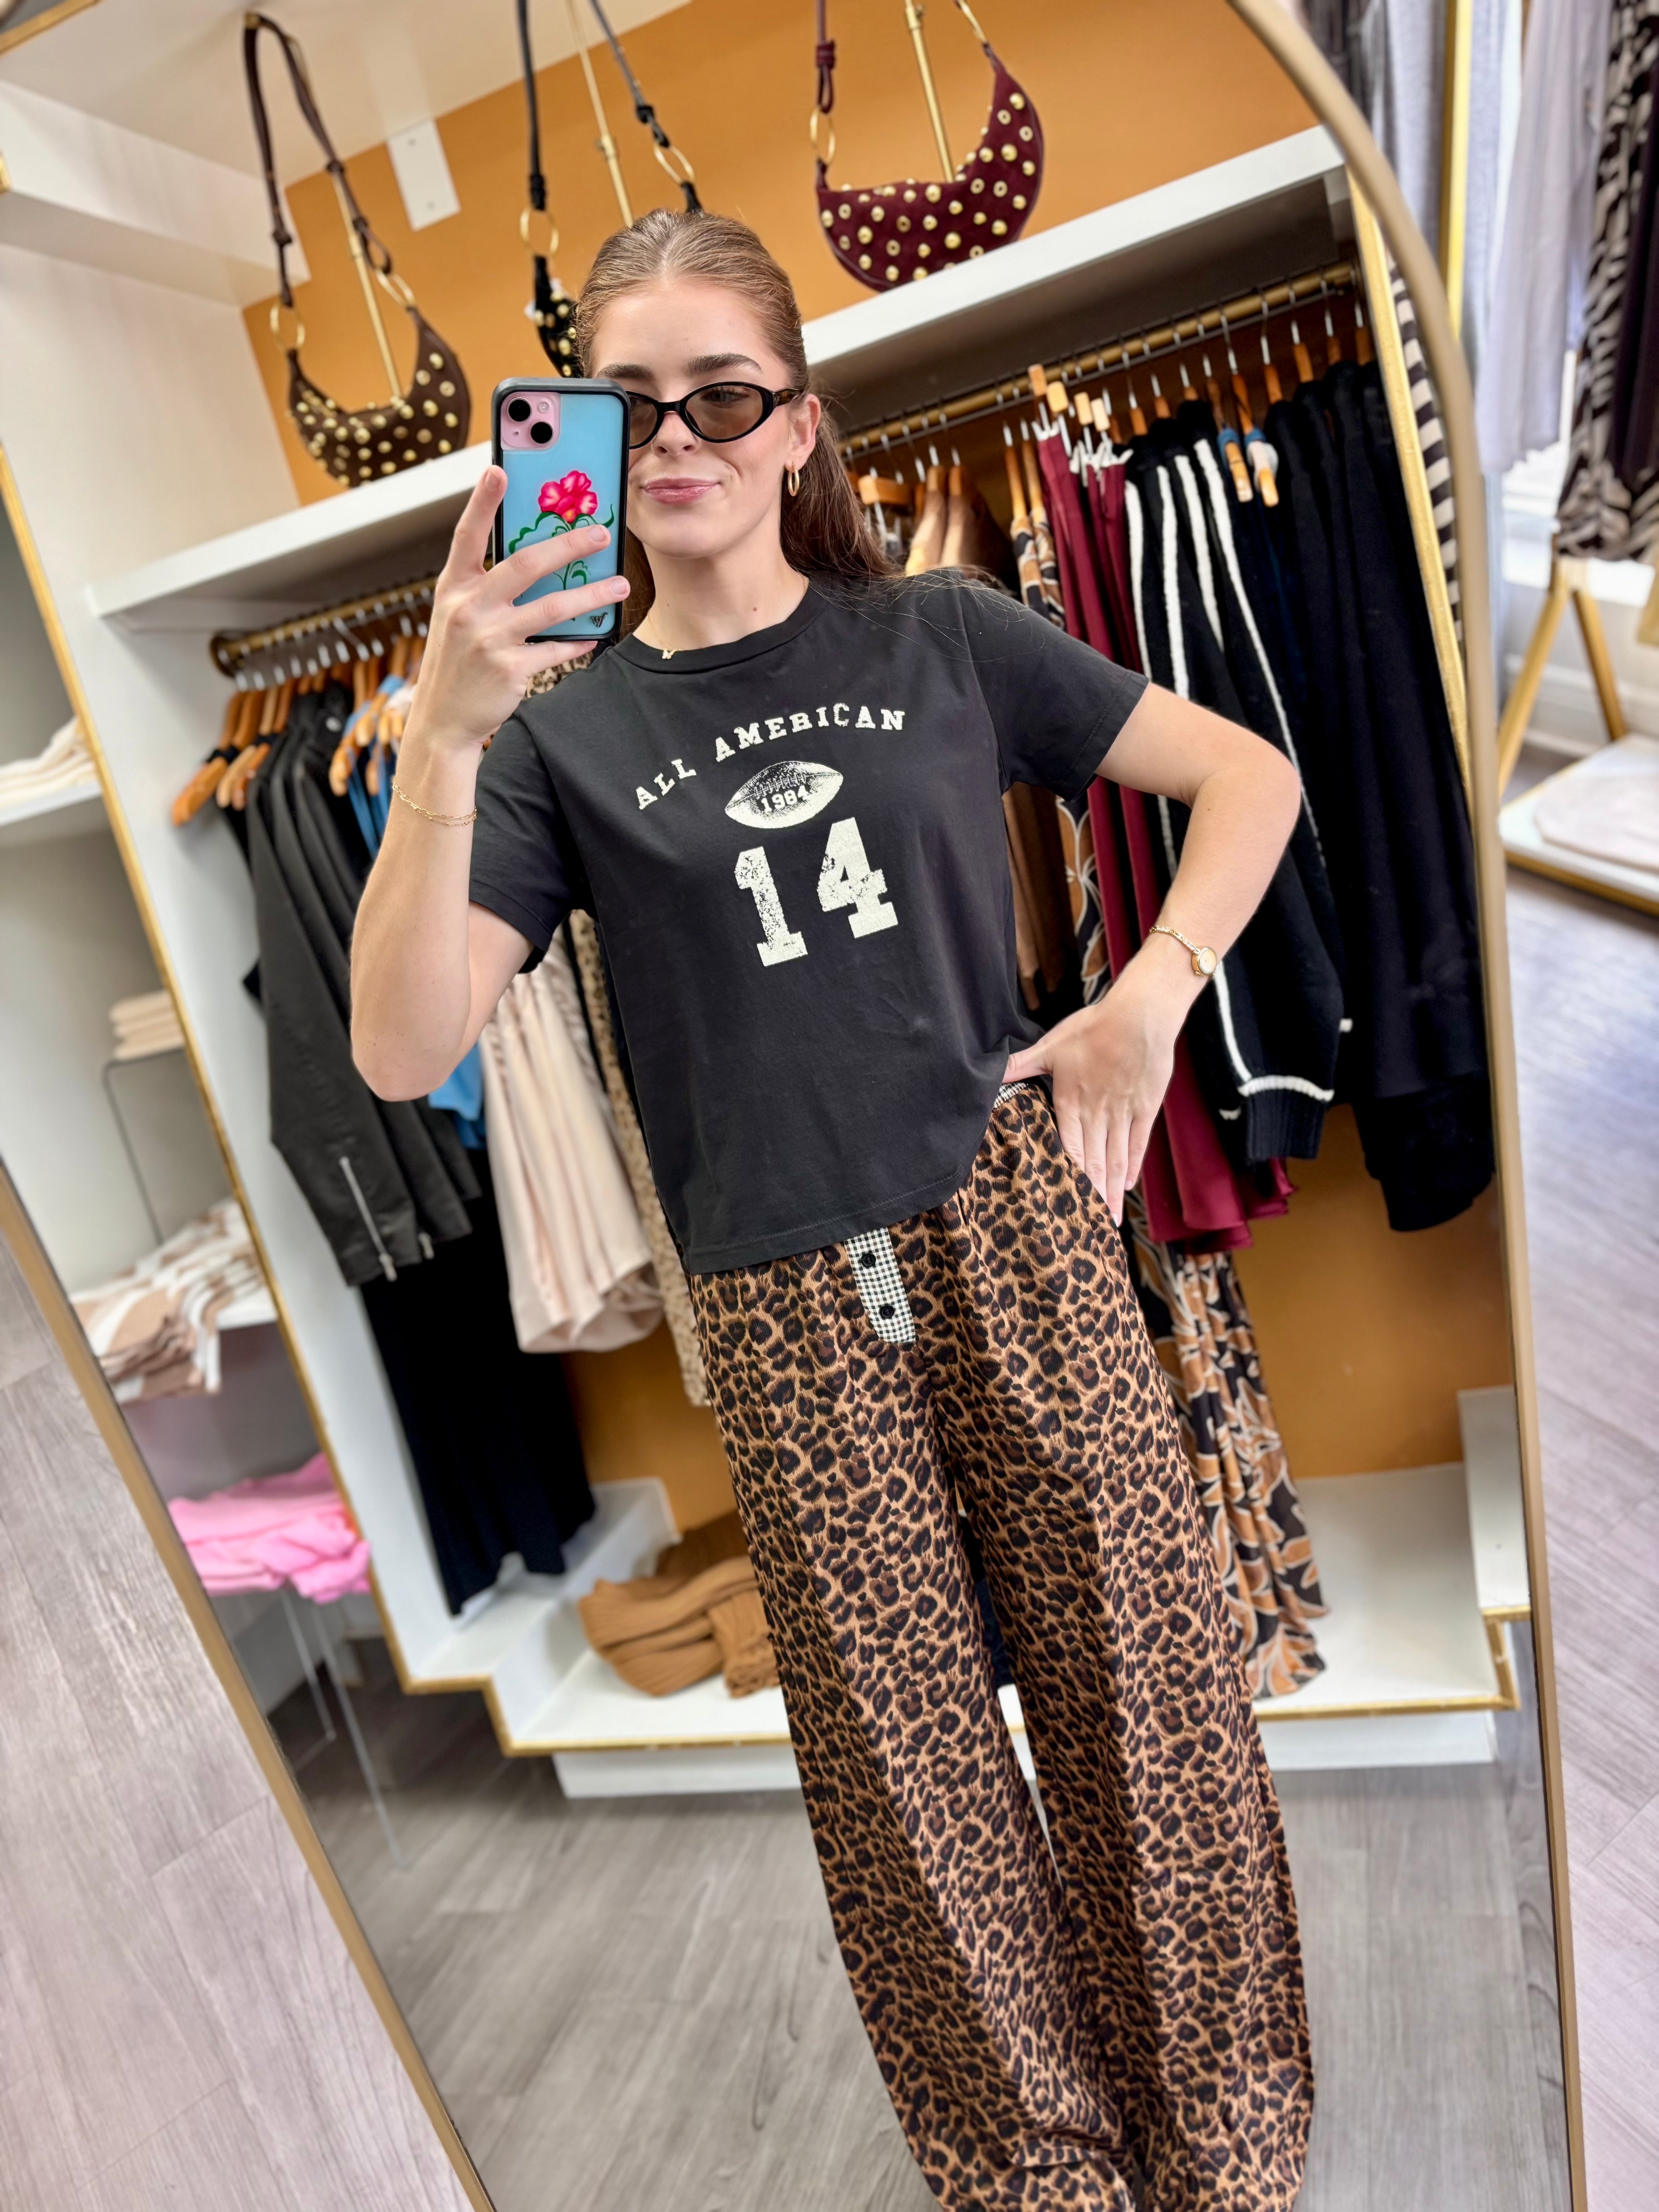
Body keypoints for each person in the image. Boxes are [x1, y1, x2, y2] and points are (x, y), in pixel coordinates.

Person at [352, 210, 1313, 2212]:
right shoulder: (554, 741)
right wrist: (440, 735)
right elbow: (400, 1041)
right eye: (629, 404)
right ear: (578, 442)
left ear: (801, 425)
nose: (676, 437)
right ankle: (1039, 2180)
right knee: (907, 1793)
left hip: (1014, 1237)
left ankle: (1226, 2147)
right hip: (786, 1312)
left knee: (1151, 1711)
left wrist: (1147, 999)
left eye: (724, 394)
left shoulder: (941, 637)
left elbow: (1247, 779)